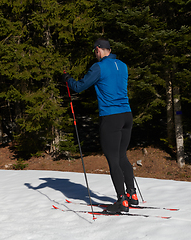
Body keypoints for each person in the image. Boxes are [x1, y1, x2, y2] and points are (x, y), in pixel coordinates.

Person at [61, 38, 138, 213]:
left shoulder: (99, 67)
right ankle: (132, 195)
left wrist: (67, 79)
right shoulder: (123, 66)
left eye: (94, 52)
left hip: (111, 117)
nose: (95, 55)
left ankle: (121, 201)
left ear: (98, 50)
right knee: (121, 156)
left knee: (113, 159)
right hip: (127, 115)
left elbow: (80, 87)